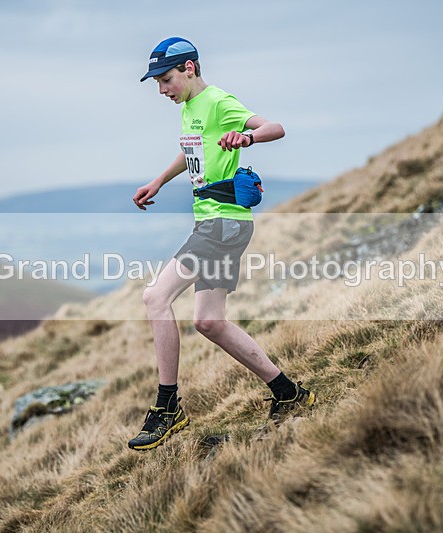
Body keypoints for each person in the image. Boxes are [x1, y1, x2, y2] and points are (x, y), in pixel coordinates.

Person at [128, 37, 315, 451]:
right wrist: (158, 181)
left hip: (222, 224)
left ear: (190, 68)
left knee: (155, 297)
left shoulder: (217, 101)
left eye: (166, 80)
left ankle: (167, 408)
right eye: (157, 83)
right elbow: (191, 152)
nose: (162, 90)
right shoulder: (190, 108)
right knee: (209, 322)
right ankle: (288, 393)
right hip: (218, 223)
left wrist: (247, 139)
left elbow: (274, 128)